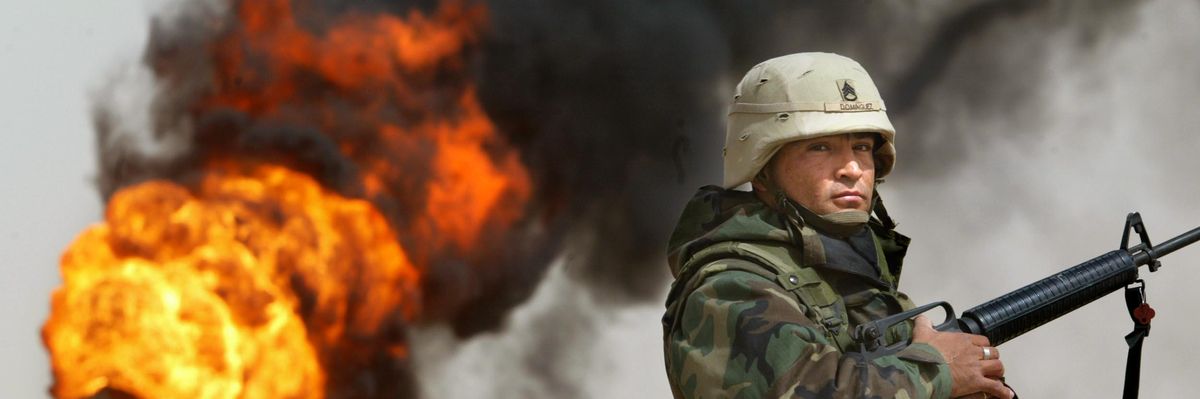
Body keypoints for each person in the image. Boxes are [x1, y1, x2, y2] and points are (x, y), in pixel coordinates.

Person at [662, 52, 1015, 399]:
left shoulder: (846, 274)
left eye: (861, 147)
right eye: (820, 147)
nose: (852, 168)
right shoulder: (728, 288)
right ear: (761, 165)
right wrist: (936, 371)